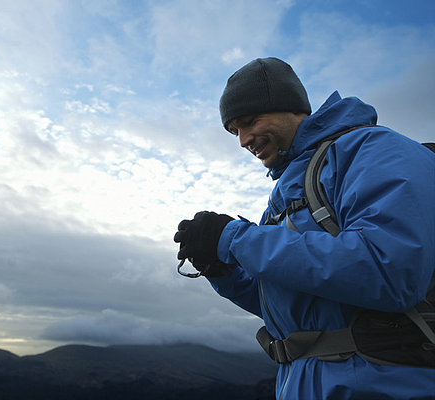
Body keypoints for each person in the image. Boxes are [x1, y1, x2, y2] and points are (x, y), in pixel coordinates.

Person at [174, 57, 435, 399]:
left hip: (380, 385)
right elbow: (297, 305)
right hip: (310, 384)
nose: (242, 140)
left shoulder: (376, 150)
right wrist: (222, 271)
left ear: (291, 108)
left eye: (249, 122)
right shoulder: (289, 188)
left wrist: (235, 239)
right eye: (234, 130)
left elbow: (391, 272)